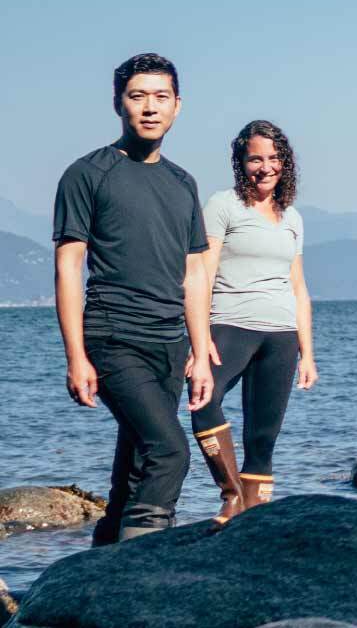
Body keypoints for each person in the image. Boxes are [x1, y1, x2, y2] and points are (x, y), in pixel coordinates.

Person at [53, 53, 215, 545]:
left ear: (177, 106)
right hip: (113, 337)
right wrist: (76, 356)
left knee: (135, 469)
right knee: (170, 452)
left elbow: (193, 271)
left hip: (169, 344)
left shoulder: (183, 182)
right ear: (118, 103)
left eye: (160, 97)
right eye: (138, 96)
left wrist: (202, 352)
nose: (150, 107)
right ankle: (142, 576)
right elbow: (68, 266)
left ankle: (95, 581)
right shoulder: (87, 174)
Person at [192, 120, 317, 523]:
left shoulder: (292, 217)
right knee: (203, 402)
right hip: (229, 324)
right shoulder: (222, 205)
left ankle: (254, 515)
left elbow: (298, 286)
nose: (265, 167)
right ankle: (230, 495)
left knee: (263, 436)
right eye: (255, 159)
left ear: (286, 163)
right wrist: (198, 339)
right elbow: (202, 273)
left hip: (281, 334)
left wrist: (307, 352)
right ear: (240, 163)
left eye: (273, 158)